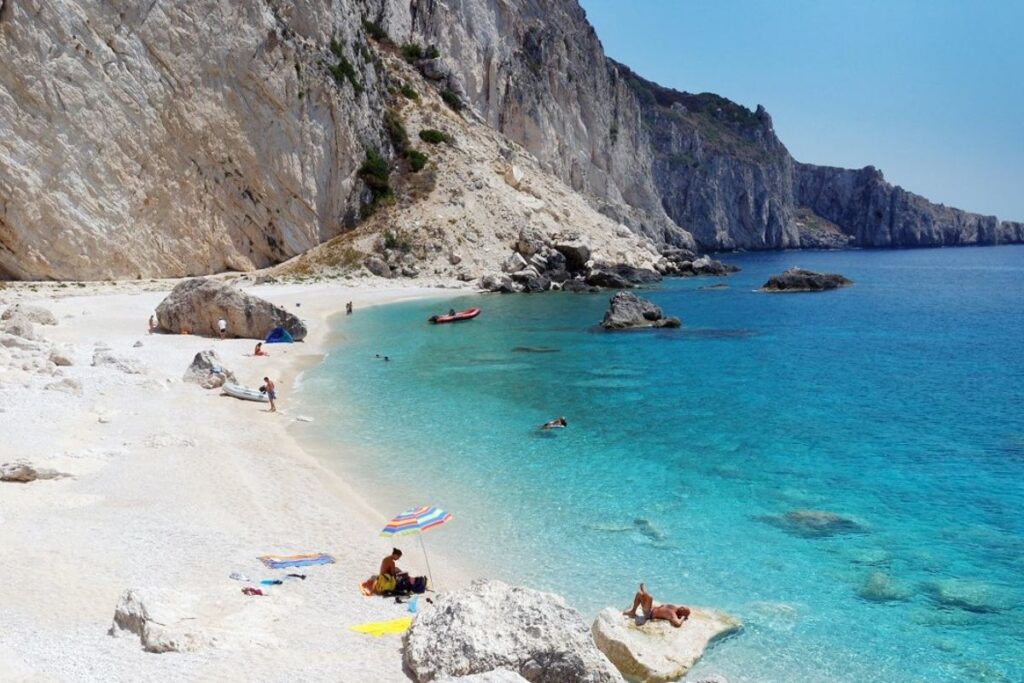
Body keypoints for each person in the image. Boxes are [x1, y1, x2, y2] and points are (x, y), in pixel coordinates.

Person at [624, 583, 690, 627]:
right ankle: (633, 611)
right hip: (651, 608)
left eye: (683, 609)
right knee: (639, 594)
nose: (682, 607)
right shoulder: (675, 608)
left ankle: (644, 592)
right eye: (683, 607)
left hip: (649, 614)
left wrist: (683, 618)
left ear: (682, 614)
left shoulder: (673, 615)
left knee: (649, 597)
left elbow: (678, 624)